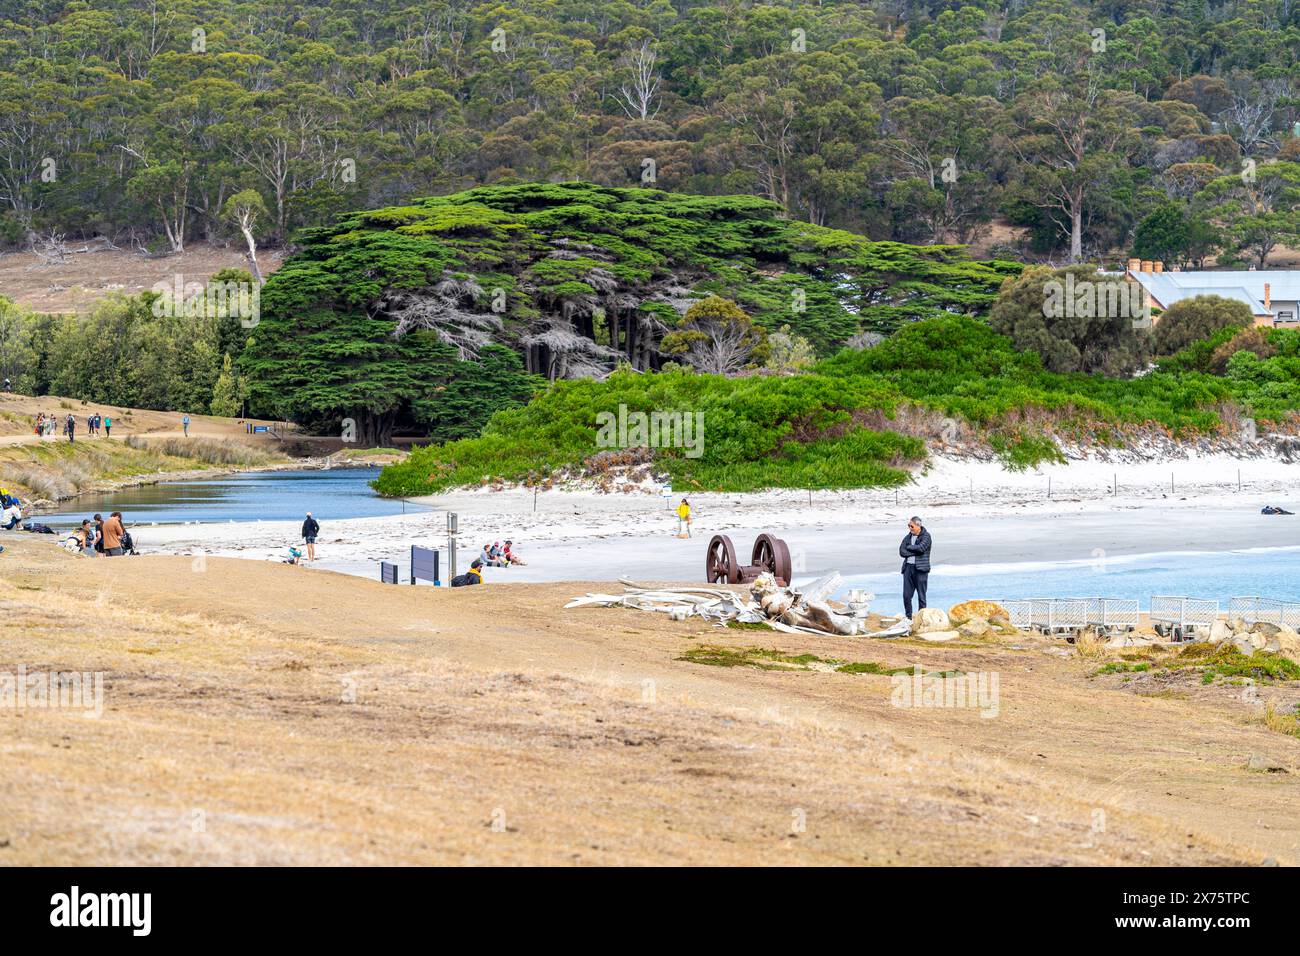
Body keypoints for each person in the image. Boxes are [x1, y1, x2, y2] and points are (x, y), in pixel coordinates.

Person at [898, 516, 932, 619]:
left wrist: (909, 548)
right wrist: (913, 551)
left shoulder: (926, 536)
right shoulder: (907, 537)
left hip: (921, 570)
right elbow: (901, 551)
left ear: (918, 525)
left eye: (911, 526)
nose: (910, 528)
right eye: (909, 526)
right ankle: (908, 618)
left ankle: (921, 618)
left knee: (921, 596)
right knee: (906, 596)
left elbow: (921, 548)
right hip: (908, 569)